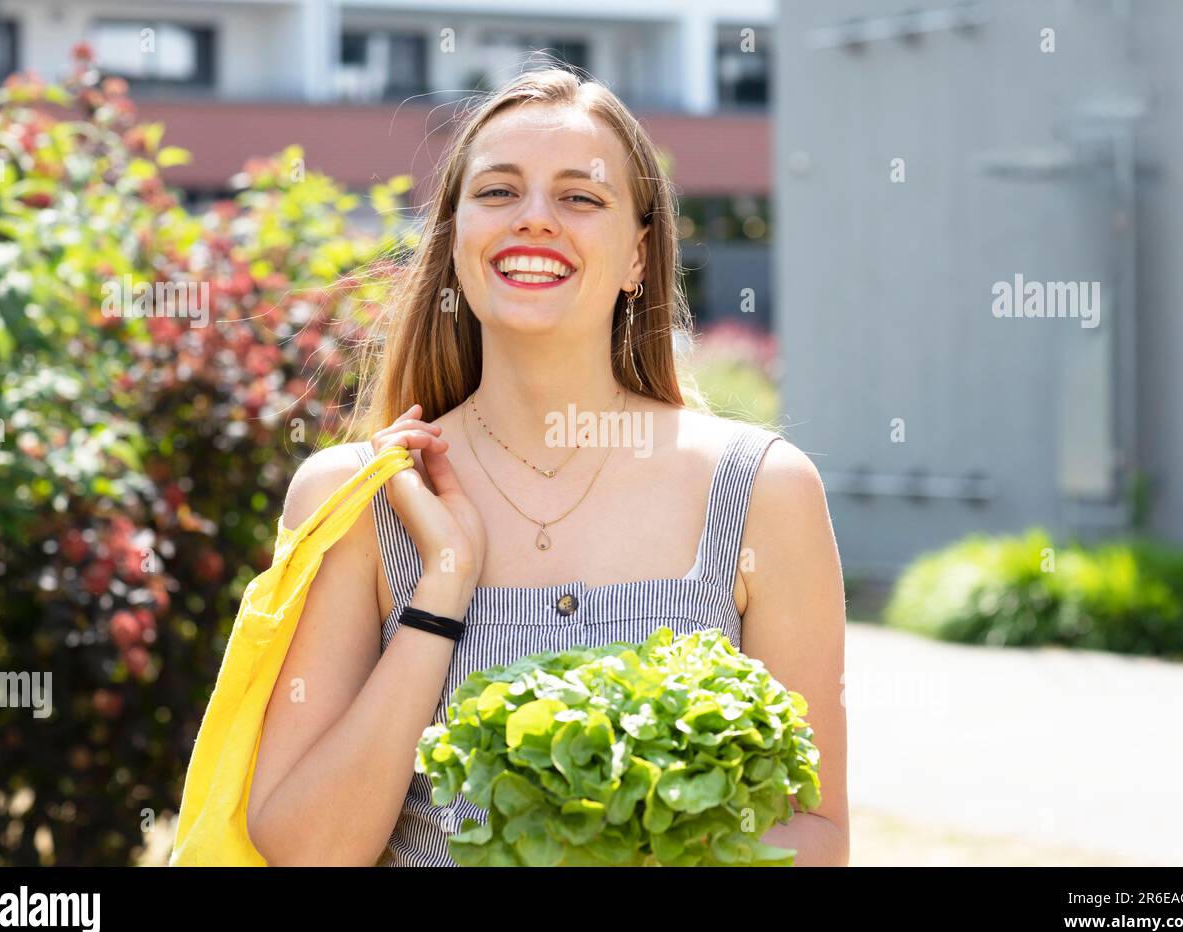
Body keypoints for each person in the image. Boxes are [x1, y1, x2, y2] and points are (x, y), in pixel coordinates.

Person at [245, 67, 848, 867]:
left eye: (580, 197)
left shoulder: (763, 492)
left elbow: (816, 830)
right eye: (498, 193)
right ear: (456, 237)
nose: (534, 221)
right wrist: (441, 590)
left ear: (638, 254)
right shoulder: (359, 495)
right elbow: (307, 852)